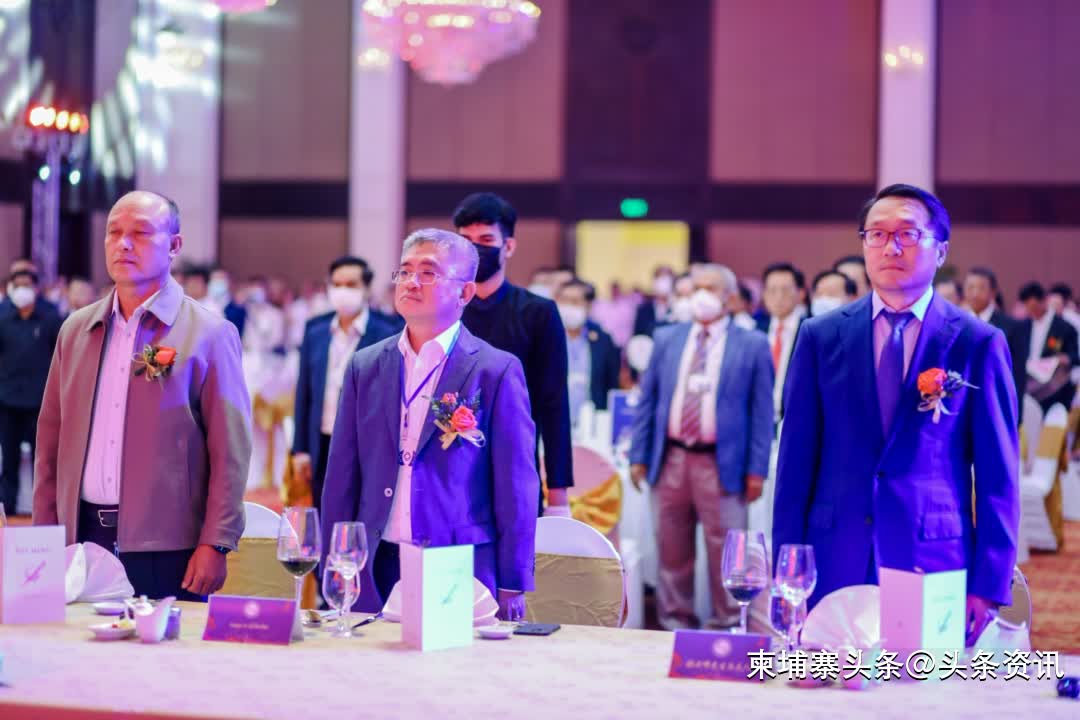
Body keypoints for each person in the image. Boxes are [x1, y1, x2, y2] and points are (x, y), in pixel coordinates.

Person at [773, 184, 1019, 647]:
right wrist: (786, 573)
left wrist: (988, 584)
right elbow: (794, 468)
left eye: (907, 234)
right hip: (833, 553)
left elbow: (998, 478)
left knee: (921, 684)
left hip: (933, 555)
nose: (891, 247)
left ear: (940, 250)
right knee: (828, 683)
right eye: (877, 234)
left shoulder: (977, 343)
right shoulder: (820, 337)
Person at [33, 191, 252, 600]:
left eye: (141, 233)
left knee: (164, 645)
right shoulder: (76, 331)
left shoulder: (209, 334)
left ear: (174, 245)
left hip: (168, 547)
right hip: (80, 539)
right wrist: (44, 536)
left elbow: (231, 451)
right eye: (114, 232)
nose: (123, 244)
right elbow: (50, 442)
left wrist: (216, 542)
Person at [321, 229, 539, 621]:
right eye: (404, 271)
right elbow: (341, 476)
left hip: (458, 562)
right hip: (376, 558)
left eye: (428, 272)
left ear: (465, 292)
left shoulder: (495, 370)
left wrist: (513, 578)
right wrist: (334, 562)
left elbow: (516, 486)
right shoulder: (365, 365)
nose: (411, 282)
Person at [629, 263, 773, 630]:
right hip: (671, 458)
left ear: (730, 297)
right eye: (696, 288)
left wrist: (757, 470)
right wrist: (638, 455)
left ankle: (727, 625)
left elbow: (762, 413)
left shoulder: (752, 344)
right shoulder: (667, 338)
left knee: (727, 552)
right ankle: (675, 624)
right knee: (672, 549)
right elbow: (648, 401)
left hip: (723, 463)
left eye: (711, 288)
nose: (702, 296)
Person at [453, 192, 572, 515]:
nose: (475, 249)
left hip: (516, 460)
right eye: (466, 241)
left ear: (508, 246)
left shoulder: (538, 312)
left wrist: (558, 494)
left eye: (486, 240)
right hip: (448, 465)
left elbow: (553, 404)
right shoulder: (444, 309)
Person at [292, 256, 400, 514]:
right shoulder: (315, 329)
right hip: (322, 439)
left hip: (365, 443)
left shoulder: (388, 331)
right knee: (323, 511)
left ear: (366, 288)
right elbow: (304, 392)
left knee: (362, 515)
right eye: (337, 284)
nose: (342, 291)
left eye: (351, 284)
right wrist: (300, 449)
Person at [0, 270, 63, 515]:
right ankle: (8, 512)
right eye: (17, 285)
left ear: (36, 289)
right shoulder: (3, 318)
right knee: (9, 462)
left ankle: (43, 512)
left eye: (27, 285)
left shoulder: (50, 318)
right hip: (8, 401)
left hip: (40, 403)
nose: (22, 290)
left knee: (43, 462)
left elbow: (60, 355)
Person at [963, 267, 1028, 421]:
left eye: (981, 288)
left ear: (993, 292)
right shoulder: (958, 324)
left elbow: (1018, 375)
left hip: (995, 409)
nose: (975, 294)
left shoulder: (1011, 327)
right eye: (970, 287)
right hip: (962, 410)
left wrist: (1014, 416)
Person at [554, 279, 621, 423]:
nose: (569, 307)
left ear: (588, 306)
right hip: (553, 422)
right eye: (564, 300)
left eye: (575, 301)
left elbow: (610, 385)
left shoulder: (602, 340)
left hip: (592, 423)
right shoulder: (545, 337)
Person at [757, 262, 806, 421]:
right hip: (760, 420)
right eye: (772, 290)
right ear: (764, 295)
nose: (778, 297)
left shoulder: (810, 332)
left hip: (793, 418)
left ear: (800, 294)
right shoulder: (755, 330)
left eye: (785, 290)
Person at [1019, 281, 1078, 412]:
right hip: (1030, 385)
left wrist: (1065, 358)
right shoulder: (1023, 327)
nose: (1032, 311)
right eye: (1028, 308)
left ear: (1044, 301)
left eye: (1035, 307)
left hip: (1056, 389)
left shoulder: (1064, 327)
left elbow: (1075, 356)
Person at [633, 265, 677, 337]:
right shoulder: (643, 310)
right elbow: (637, 336)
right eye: (660, 278)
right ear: (654, 282)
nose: (663, 283)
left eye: (666, 278)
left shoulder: (676, 308)